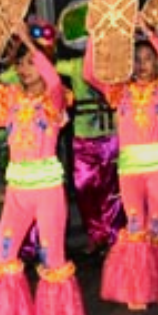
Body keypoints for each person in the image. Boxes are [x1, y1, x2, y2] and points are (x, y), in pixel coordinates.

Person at [0, 19, 87, 315]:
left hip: (47, 192)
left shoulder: (56, 99)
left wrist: (28, 42)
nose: (25, 68)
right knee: (3, 256)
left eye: (31, 61)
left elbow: (51, 78)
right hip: (17, 192)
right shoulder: (11, 100)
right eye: (20, 62)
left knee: (52, 259)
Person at [87, 19, 158, 310]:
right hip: (129, 170)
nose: (142, 65)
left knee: (156, 226)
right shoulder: (118, 92)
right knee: (135, 225)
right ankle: (138, 289)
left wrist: (152, 35)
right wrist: (94, 36)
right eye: (136, 59)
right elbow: (89, 72)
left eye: (147, 59)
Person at [57, 46, 122, 257]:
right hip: (83, 138)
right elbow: (50, 67)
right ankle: (96, 235)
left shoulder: (116, 64)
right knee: (84, 189)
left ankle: (113, 236)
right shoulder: (75, 65)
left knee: (110, 190)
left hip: (110, 137)